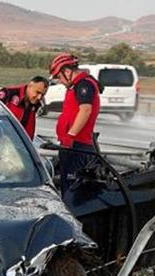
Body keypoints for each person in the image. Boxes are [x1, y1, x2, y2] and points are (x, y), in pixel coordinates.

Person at [49, 53, 102, 193]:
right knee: (67, 185)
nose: (59, 81)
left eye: (59, 77)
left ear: (67, 71)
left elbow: (85, 110)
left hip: (77, 145)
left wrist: (70, 135)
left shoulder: (83, 84)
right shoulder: (76, 85)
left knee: (72, 190)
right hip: (72, 144)